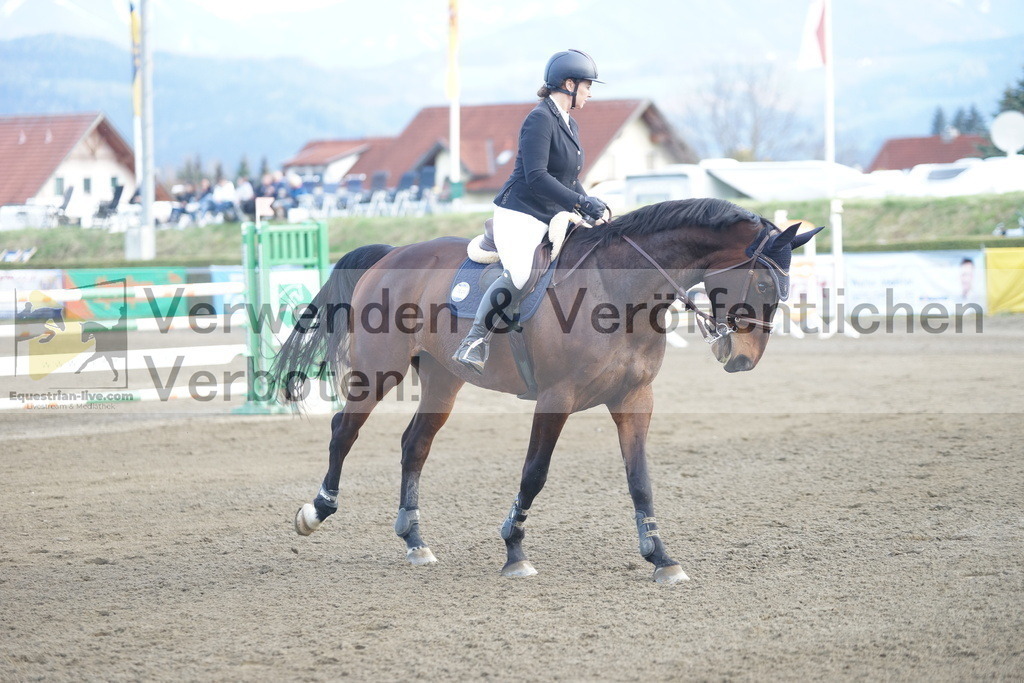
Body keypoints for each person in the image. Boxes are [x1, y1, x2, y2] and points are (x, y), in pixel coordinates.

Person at [452, 49, 609, 374]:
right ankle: (475, 340)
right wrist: (580, 204)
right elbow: (536, 176)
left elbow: (569, 178)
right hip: (520, 213)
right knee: (522, 274)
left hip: (551, 214)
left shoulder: (570, 123)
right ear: (569, 84)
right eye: (587, 86)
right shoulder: (540, 119)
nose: (590, 93)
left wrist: (591, 205)